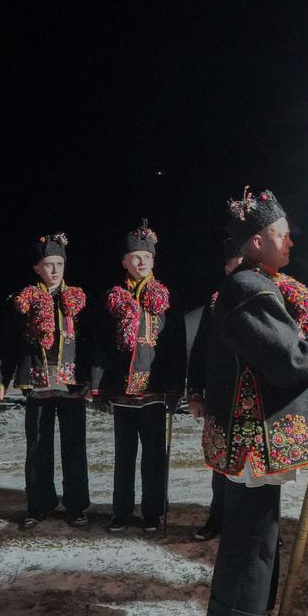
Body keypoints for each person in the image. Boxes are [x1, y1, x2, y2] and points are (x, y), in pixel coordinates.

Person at [201, 188, 308, 616]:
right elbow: (287, 359)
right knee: (250, 533)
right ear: (258, 241)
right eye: (282, 236)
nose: (291, 245)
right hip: (253, 436)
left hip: (256, 434)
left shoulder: (257, 284)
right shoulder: (248, 288)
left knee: (259, 528)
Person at [0, 234, 92, 529]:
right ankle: (39, 503)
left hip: (70, 384)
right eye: (49, 265)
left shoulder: (77, 300)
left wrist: (90, 379)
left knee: (74, 447)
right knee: (37, 447)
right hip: (37, 383)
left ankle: (76, 506)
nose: (55, 270)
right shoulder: (20, 302)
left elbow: (88, 343)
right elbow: (5, 345)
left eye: (59, 264)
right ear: (37, 268)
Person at [93, 220, 186, 534]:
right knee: (124, 455)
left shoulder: (166, 298)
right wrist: (98, 386)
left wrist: (175, 387)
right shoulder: (113, 299)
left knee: (154, 457)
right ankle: (121, 512)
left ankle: (152, 513)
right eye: (134, 257)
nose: (141, 261)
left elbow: (175, 347)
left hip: (156, 390)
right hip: (122, 391)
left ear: (153, 261)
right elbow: (101, 346)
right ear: (124, 262)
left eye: (146, 257)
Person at [186, 239, 245, 541]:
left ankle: (256, 526)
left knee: (255, 465)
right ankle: (218, 518)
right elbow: (200, 351)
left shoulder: (270, 296)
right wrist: (196, 392)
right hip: (222, 395)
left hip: (257, 400)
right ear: (227, 267)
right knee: (221, 461)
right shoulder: (215, 302)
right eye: (238, 261)